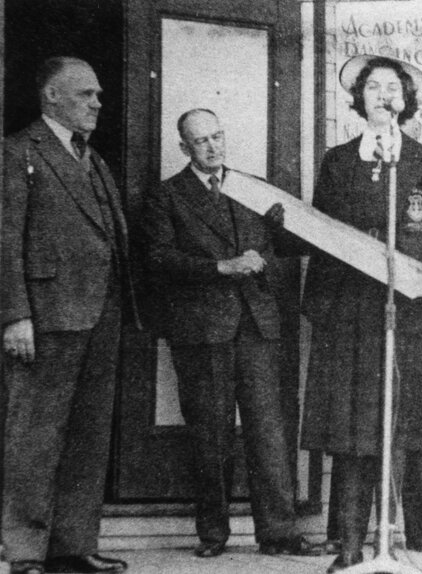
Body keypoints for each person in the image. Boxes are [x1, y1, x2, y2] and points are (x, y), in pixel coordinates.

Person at [297, 55, 422, 572]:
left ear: (405, 101)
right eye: (373, 87)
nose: (383, 95)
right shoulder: (339, 161)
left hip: (406, 316)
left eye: (393, 88)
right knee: (354, 427)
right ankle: (349, 545)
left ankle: (400, 538)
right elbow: (319, 231)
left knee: (403, 423)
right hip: (352, 316)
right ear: (359, 99)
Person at [141, 109, 321, 559]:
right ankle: (213, 535)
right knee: (210, 435)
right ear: (184, 148)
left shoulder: (250, 189)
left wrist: (286, 225)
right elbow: (158, 259)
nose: (212, 146)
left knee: (269, 433)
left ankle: (278, 534)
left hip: (256, 327)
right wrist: (222, 266)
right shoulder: (166, 196)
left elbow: (289, 246)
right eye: (201, 141)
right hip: (202, 332)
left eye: (217, 136)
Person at [1, 57, 135, 574]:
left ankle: (74, 545)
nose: (97, 103)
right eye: (86, 94)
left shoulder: (91, 157)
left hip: (99, 315)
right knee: (34, 436)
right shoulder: (18, 152)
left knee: (88, 435)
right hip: (47, 318)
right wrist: (14, 316)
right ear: (51, 96)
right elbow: (5, 240)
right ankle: (25, 551)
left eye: (98, 94)